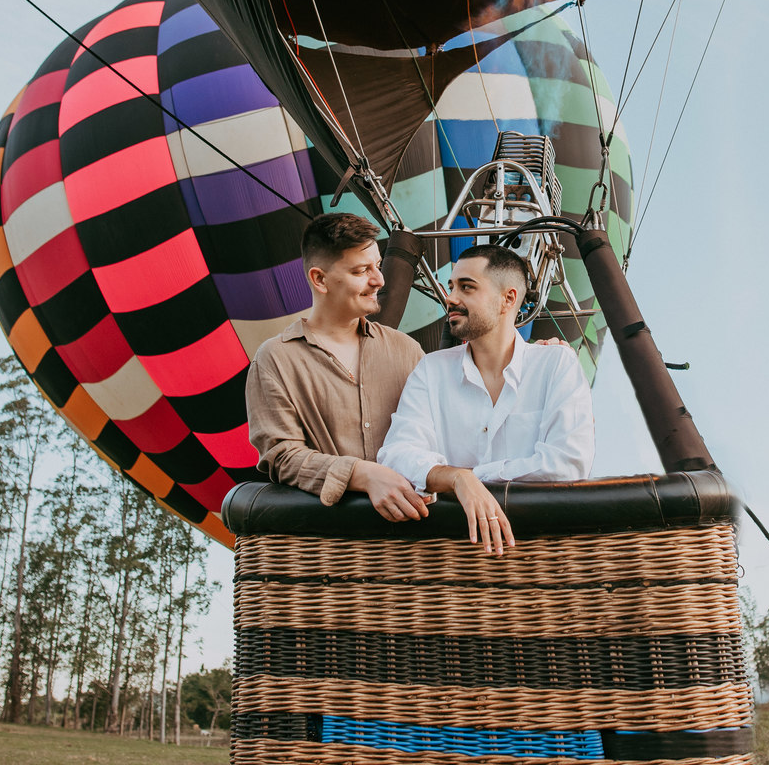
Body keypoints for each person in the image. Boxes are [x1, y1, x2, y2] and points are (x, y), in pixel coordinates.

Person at [378, 244, 594, 555]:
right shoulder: (431, 369)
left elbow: (567, 466)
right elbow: (396, 454)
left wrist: (467, 478)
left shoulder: (555, 364)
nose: (451, 298)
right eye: (452, 286)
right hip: (447, 553)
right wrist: (456, 478)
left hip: (538, 552)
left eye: (466, 287)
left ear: (508, 299)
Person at [245, 212, 430, 522]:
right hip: (331, 537)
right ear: (320, 279)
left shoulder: (407, 351)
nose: (379, 280)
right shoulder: (276, 359)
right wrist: (362, 474)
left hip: (413, 535)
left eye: (378, 266)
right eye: (361, 271)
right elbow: (282, 456)